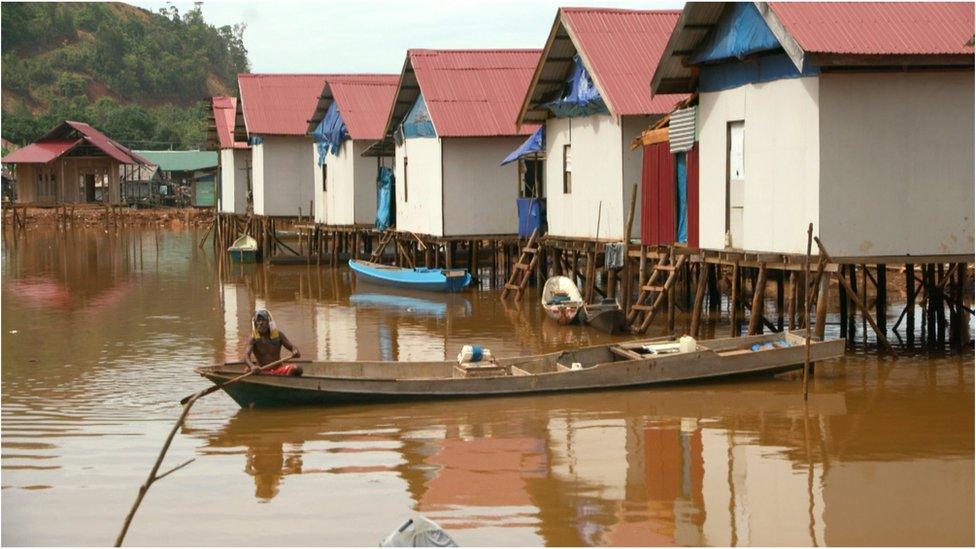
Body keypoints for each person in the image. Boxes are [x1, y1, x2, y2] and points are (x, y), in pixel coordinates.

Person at [244, 309, 303, 376]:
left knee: (298, 369)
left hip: (278, 370)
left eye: (263, 320)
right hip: (262, 371)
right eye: (258, 321)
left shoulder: (278, 334)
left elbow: (292, 347)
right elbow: (246, 356)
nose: (260, 323)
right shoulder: (253, 338)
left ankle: (284, 380)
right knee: (247, 369)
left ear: (269, 322)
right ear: (255, 323)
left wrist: (295, 351)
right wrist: (252, 366)